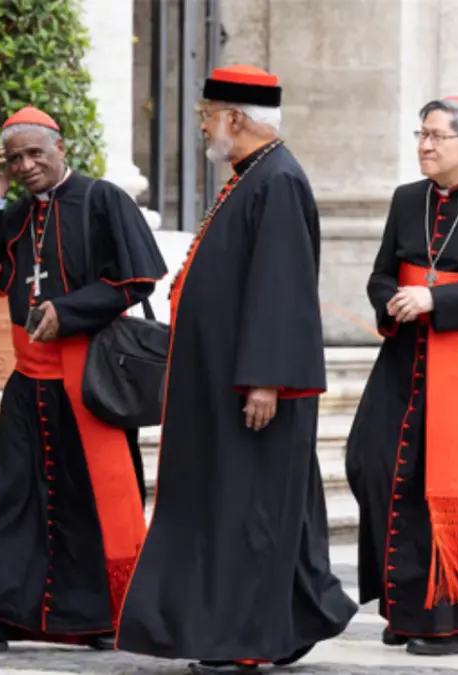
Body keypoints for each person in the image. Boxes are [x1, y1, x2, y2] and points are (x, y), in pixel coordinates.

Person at [114, 65, 357, 674]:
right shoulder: (252, 176)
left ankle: (241, 640)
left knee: (248, 515)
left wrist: (266, 380)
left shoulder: (277, 180)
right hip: (221, 382)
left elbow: (282, 289)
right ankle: (291, 620)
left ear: (237, 118)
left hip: (251, 388)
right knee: (246, 507)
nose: (203, 126)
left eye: (208, 115)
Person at [0, 105, 166, 653]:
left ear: (60, 147)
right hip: (28, 380)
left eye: (35, 153)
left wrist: (69, 310)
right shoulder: (15, 213)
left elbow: (137, 280)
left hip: (89, 378)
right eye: (14, 160)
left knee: (92, 501)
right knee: (16, 497)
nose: (25, 166)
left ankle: (107, 616)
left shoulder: (103, 199)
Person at [345, 96, 458, 657]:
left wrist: (437, 300)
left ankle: (444, 622)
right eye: (420, 135)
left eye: (435, 136)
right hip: (402, 359)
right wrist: (393, 299)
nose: (424, 145)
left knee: (445, 488)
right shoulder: (407, 199)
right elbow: (381, 273)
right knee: (373, 465)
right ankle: (403, 606)